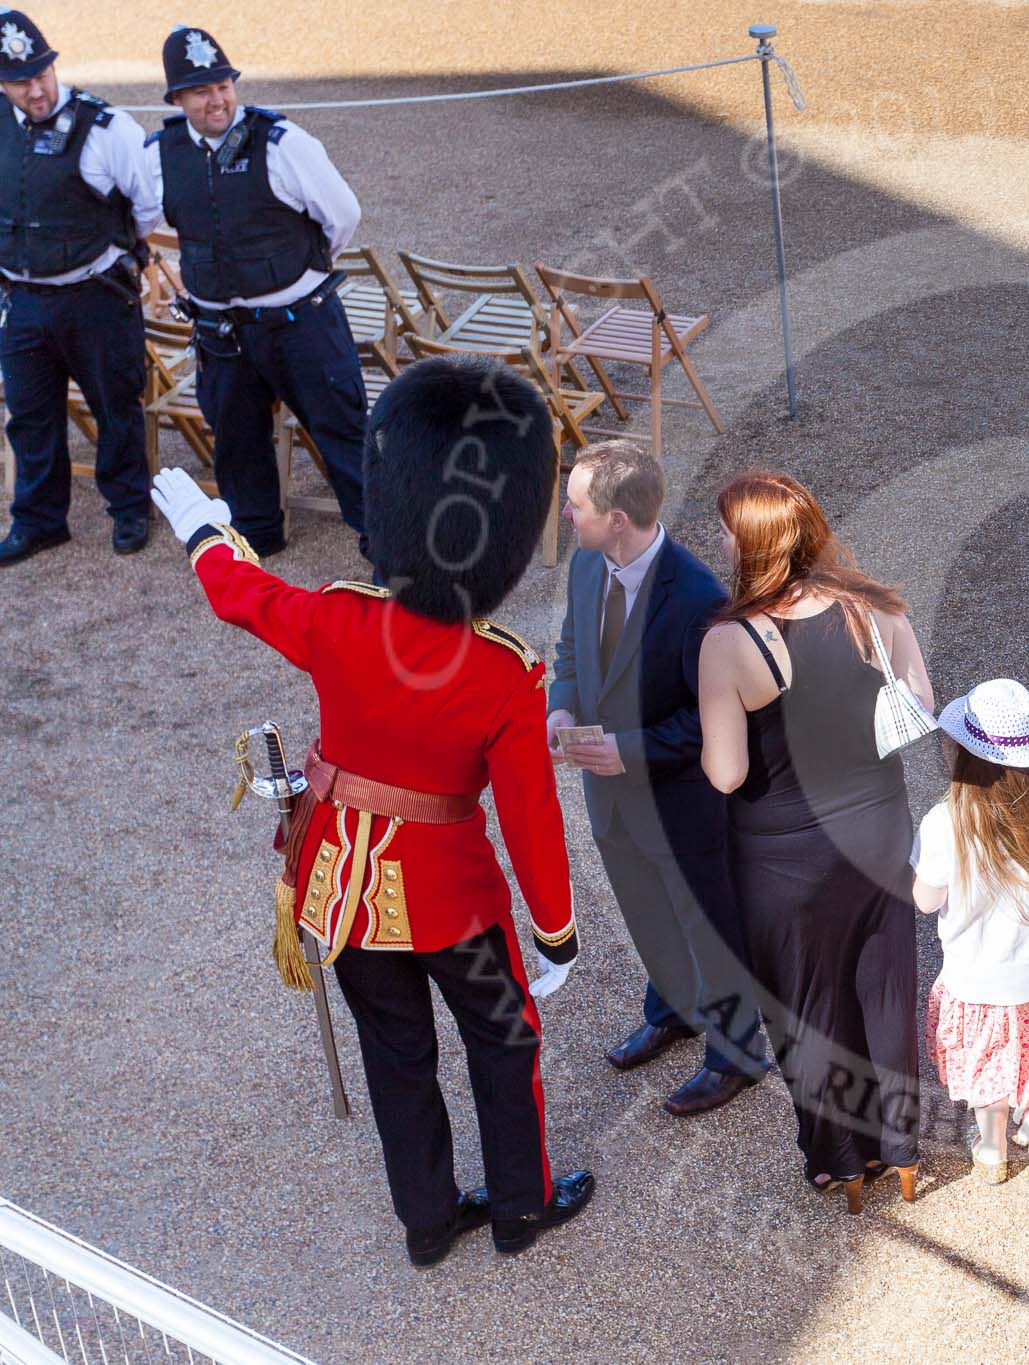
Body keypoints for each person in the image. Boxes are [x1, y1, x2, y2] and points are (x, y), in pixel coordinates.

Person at [149, 355, 593, 1264]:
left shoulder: (338, 618)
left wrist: (205, 531)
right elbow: (529, 818)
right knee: (505, 1047)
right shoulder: (504, 672)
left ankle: (427, 1220)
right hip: (455, 904)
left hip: (341, 891)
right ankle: (520, 1203)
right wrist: (556, 930)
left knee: (396, 1058)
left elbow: (241, 592)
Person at [697, 470, 929, 1212]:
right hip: (877, 830)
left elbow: (727, 772)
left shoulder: (730, 641)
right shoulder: (877, 610)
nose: (719, 538)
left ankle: (838, 1159)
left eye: (729, 528)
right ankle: (900, 1149)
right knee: (885, 989)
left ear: (757, 544)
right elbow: (920, 707)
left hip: (784, 854)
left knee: (807, 1005)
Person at [548, 440, 766, 1115]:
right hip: (610, 798)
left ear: (618, 518)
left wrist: (629, 750)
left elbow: (712, 720)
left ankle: (737, 1052)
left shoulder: (700, 597)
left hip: (679, 804)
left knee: (707, 923)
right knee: (644, 908)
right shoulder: (587, 566)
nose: (564, 512)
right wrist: (561, 702)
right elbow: (573, 653)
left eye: (577, 504)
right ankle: (672, 1005)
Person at [146, 25, 367, 557]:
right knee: (237, 439)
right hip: (221, 332)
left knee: (342, 431)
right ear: (178, 98)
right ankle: (258, 534)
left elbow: (343, 217)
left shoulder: (285, 143)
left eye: (223, 84)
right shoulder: (161, 153)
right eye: (201, 90)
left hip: (300, 324)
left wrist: (293, 275)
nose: (216, 99)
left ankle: (383, 537)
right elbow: (149, 217)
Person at [911, 678, 1029, 1192]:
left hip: (973, 980)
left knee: (989, 1068)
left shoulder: (945, 822)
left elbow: (925, 900)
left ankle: (990, 1151)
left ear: (962, 752)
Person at [0, 9, 160, 565]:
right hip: (23, 300)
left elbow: (148, 204)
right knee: (30, 414)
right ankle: (40, 520)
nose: (36, 89)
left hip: (96, 297)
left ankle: (129, 508)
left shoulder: (106, 127)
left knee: (115, 405)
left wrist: (108, 250)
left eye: (42, 73)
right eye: (21, 82)